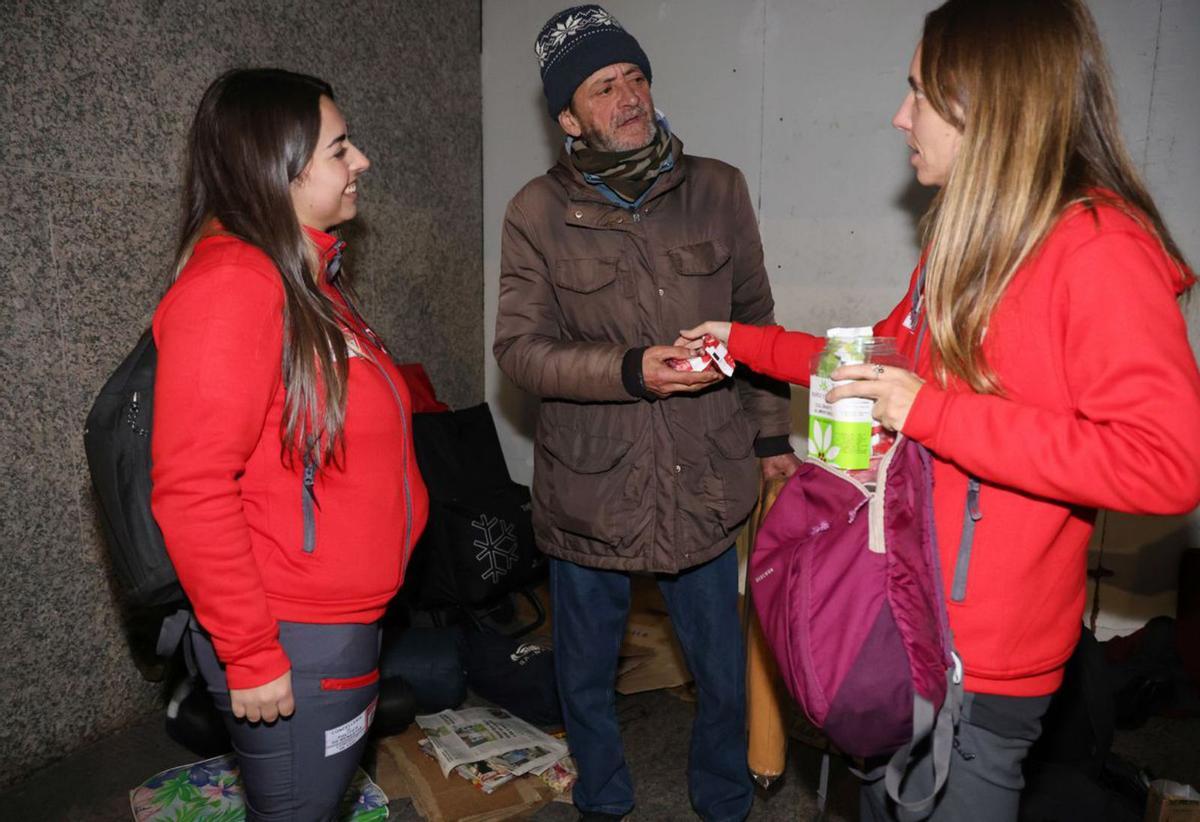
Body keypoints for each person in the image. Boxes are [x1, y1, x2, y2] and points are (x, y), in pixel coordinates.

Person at [681, 0, 1200, 818]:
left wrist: (934, 413)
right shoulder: (967, 240)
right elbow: (870, 363)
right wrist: (741, 340)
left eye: (919, 92)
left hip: (985, 669)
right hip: (915, 623)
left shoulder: (1100, 249)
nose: (899, 115)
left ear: (988, 103)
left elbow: (1166, 465)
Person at [493, 6, 799, 820]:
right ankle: (603, 800)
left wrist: (772, 435)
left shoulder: (718, 188)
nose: (629, 97)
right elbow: (519, 352)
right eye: (604, 87)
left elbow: (758, 322)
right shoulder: (535, 212)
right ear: (568, 116)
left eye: (636, 76)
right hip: (590, 484)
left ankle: (725, 802)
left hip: (704, 469)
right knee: (584, 676)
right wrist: (632, 371)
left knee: (722, 671)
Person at [151, 68, 428, 821]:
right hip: (293, 634)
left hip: (335, 622)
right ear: (281, 166)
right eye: (340, 148)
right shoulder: (235, 284)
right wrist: (250, 652)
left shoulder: (305, 276)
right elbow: (193, 486)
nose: (361, 160)